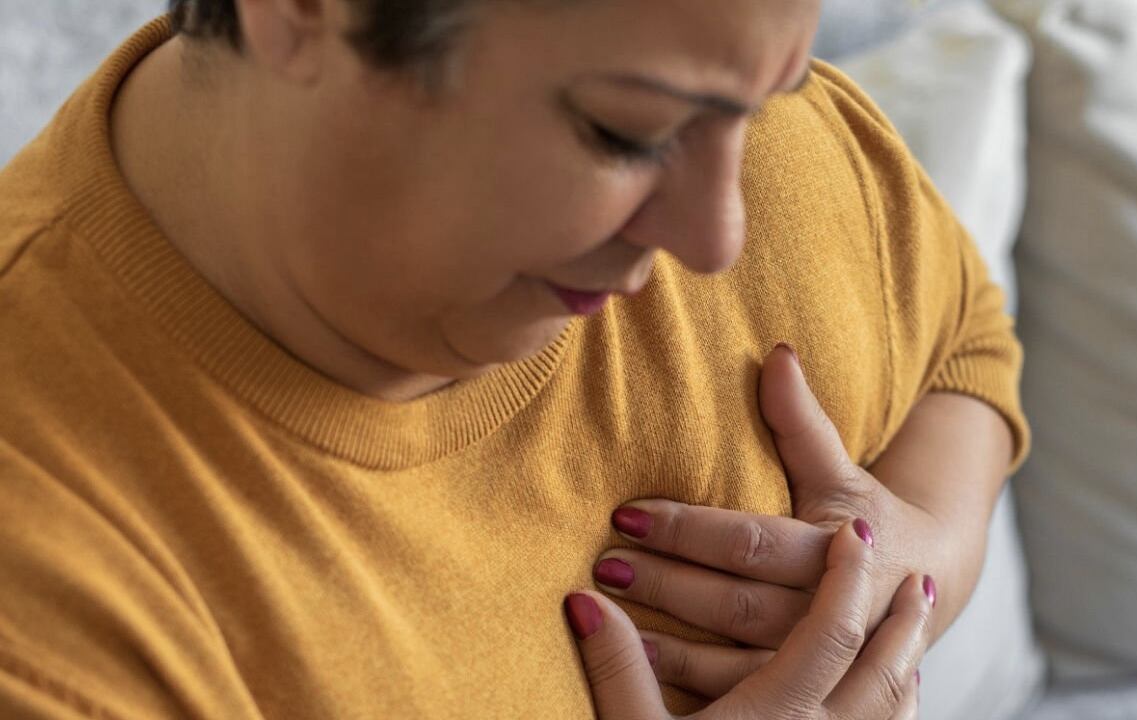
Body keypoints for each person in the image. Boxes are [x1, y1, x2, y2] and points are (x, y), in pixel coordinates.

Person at [0, 0, 1027, 717]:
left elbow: (962, 340)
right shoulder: (47, 578)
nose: (716, 237)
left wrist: (917, 563)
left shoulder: (775, 149)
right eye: (622, 134)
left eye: (759, 101)